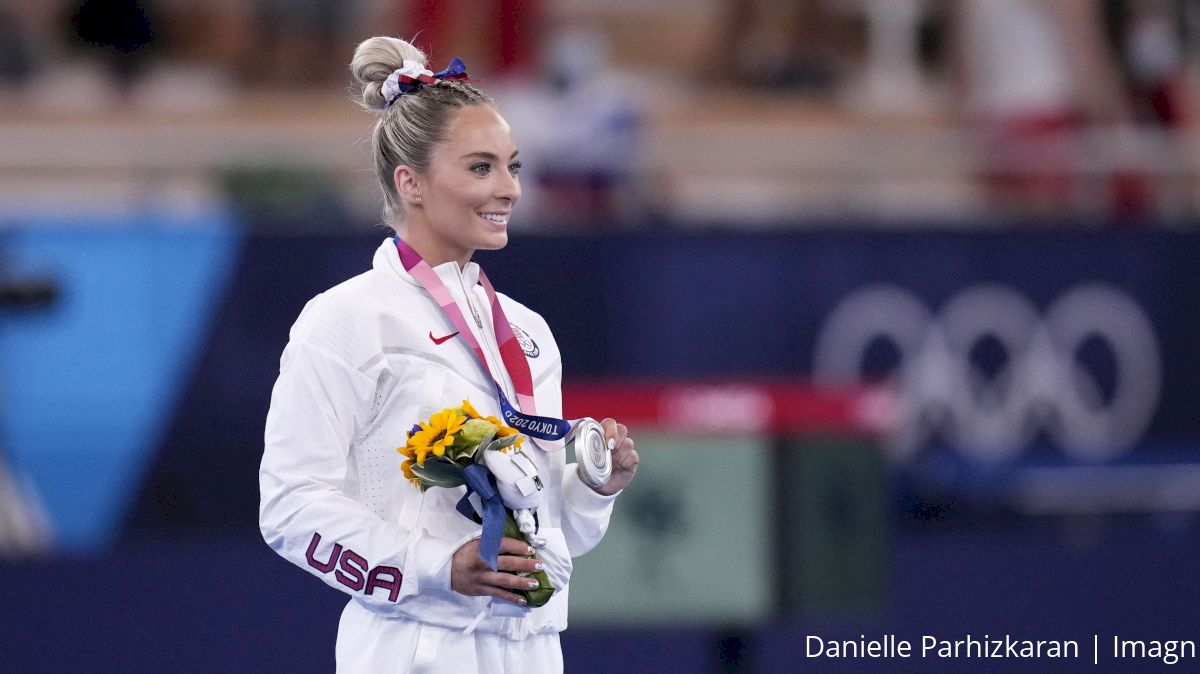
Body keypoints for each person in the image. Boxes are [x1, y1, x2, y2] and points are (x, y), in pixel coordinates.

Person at [258, 36, 639, 673]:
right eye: (481, 167)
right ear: (411, 182)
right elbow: (290, 505)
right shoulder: (347, 320)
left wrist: (594, 488)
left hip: (534, 649)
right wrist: (433, 567)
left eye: (514, 166)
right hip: (416, 645)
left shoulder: (528, 331)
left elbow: (552, 533)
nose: (511, 189)